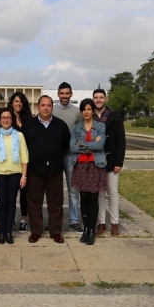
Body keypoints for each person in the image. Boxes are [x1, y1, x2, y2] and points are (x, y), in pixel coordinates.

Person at [21, 95, 70, 244]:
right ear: (38, 107)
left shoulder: (61, 125)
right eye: (43, 105)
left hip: (55, 170)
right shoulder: (28, 126)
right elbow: (23, 148)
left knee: (55, 203)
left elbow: (66, 144)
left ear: (52, 107)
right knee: (34, 202)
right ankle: (36, 231)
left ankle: (55, 231)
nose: (46, 108)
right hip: (35, 170)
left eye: (49, 105)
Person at [0, 108, 29, 245]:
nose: (6, 120)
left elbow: (24, 158)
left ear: (12, 120)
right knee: (2, 203)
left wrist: (24, 176)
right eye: (3, 117)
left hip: (15, 174)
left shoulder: (19, 136)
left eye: (8, 117)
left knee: (11, 203)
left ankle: (9, 231)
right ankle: (1, 232)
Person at [69, 99, 107, 245]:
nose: (86, 112)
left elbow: (100, 144)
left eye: (89, 109)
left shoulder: (100, 126)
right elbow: (72, 147)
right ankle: (86, 229)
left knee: (93, 198)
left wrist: (82, 144)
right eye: (84, 109)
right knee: (83, 199)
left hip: (95, 166)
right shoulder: (76, 128)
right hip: (81, 166)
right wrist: (91, 145)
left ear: (92, 111)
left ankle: (91, 230)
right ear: (81, 111)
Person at [92, 88, 126, 237]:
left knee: (112, 192)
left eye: (101, 97)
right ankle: (101, 223)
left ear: (105, 99)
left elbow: (121, 140)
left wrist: (119, 162)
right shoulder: (90, 115)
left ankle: (114, 223)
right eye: (96, 97)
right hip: (95, 161)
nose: (98, 100)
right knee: (100, 193)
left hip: (111, 160)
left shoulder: (114, 116)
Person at [51, 82, 83, 234]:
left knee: (73, 190)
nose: (64, 96)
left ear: (71, 94)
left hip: (71, 156)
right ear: (58, 94)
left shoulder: (77, 112)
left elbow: (81, 132)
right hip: (55, 156)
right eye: (61, 93)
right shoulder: (52, 110)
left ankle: (74, 221)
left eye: (67, 93)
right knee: (54, 191)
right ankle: (53, 221)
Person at [7, 91, 33, 232]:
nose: (18, 104)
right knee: (11, 192)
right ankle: (10, 219)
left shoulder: (29, 120)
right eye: (16, 101)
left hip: (25, 160)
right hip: (10, 160)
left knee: (25, 192)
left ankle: (24, 219)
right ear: (12, 103)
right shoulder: (7, 118)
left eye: (20, 101)